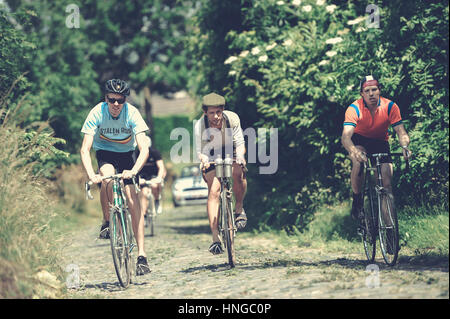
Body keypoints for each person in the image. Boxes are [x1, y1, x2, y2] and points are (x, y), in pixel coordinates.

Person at [80, 78, 151, 276]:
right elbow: (85, 149)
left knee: (132, 198)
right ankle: (107, 222)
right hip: (105, 153)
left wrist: (135, 170)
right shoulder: (97, 112)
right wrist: (91, 175)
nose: (116, 105)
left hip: (127, 157)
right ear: (106, 99)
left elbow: (144, 148)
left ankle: (142, 255)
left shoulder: (132, 113)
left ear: (125, 100)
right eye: (112, 100)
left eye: (120, 100)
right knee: (108, 178)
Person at [341, 75, 412, 234]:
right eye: (367, 91)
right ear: (362, 94)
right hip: (359, 140)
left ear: (379, 91)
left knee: (386, 185)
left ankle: (389, 231)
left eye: (374, 90)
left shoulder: (390, 106)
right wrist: (354, 151)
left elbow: (401, 132)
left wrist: (405, 146)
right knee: (358, 162)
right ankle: (357, 200)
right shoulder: (354, 108)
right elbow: (346, 137)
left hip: (380, 141)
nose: (371, 93)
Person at [194, 92, 248, 255]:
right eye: (211, 113)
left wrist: (240, 157)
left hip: (230, 150)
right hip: (211, 154)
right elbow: (201, 151)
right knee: (214, 191)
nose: (216, 116)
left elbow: (239, 144)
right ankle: (215, 238)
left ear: (223, 110)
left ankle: (239, 208)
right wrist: (204, 160)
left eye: (218, 112)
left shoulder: (232, 119)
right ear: (205, 112)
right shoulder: (200, 125)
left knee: (238, 172)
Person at [133, 137, 166, 218]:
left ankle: (157, 200)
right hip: (142, 176)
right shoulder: (136, 153)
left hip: (153, 175)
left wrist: (159, 177)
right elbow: (133, 167)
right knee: (143, 193)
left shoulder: (155, 153)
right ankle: (144, 214)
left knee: (154, 186)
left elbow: (161, 167)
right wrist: (138, 179)